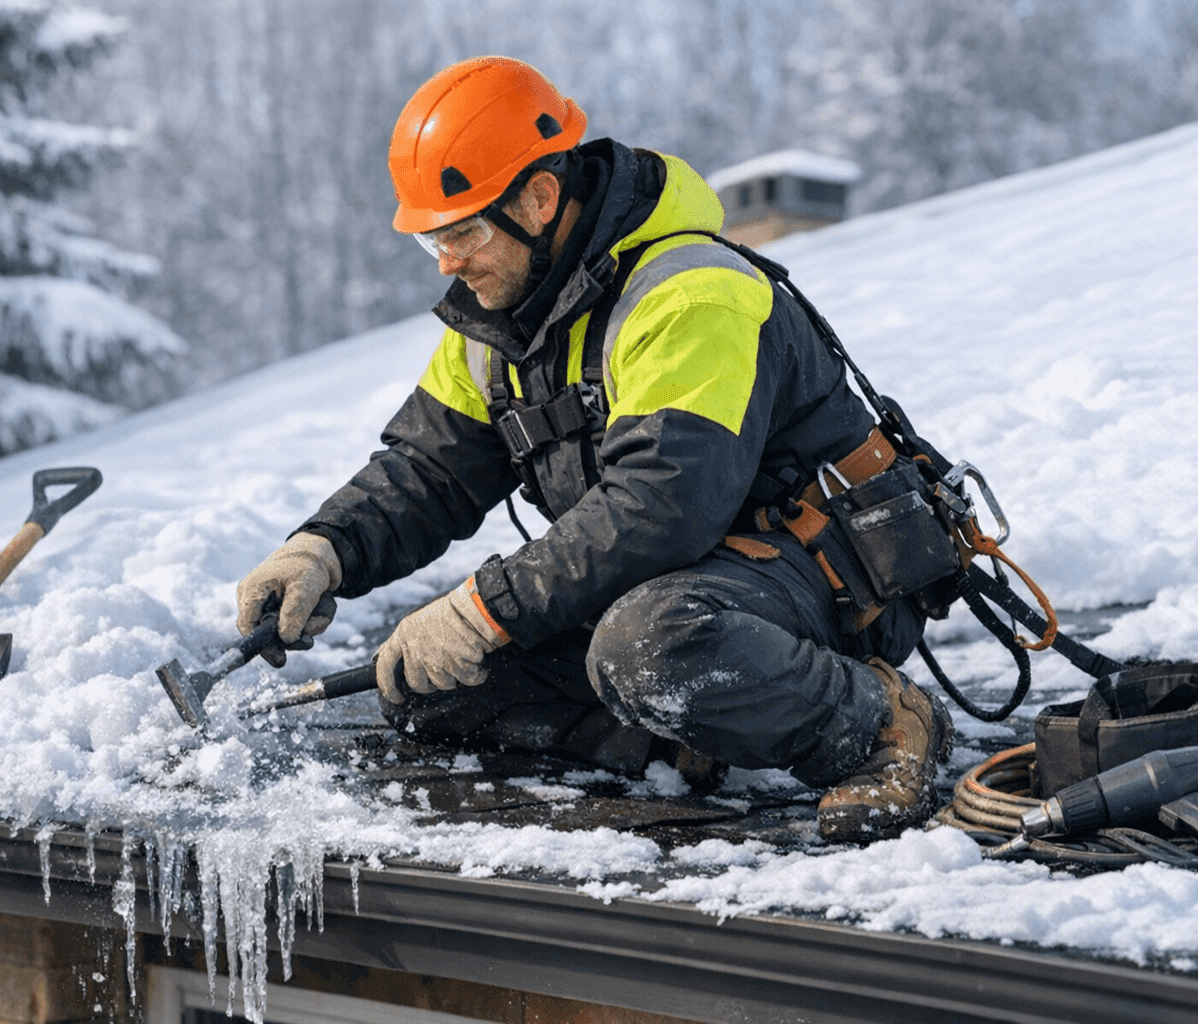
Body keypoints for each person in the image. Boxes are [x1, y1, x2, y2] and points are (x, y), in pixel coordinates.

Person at [235, 56, 952, 843]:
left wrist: (485, 609)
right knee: (426, 684)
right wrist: (323, 550)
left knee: (646, 648)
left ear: (539, 199)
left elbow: (663, 504)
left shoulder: (690, 294)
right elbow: (429, 467)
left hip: (823, 575)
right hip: (682, 581)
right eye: (431, 241)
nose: (447, 261)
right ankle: (682, 737)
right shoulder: (501, 316)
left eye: (463, 231)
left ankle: (875, 722)